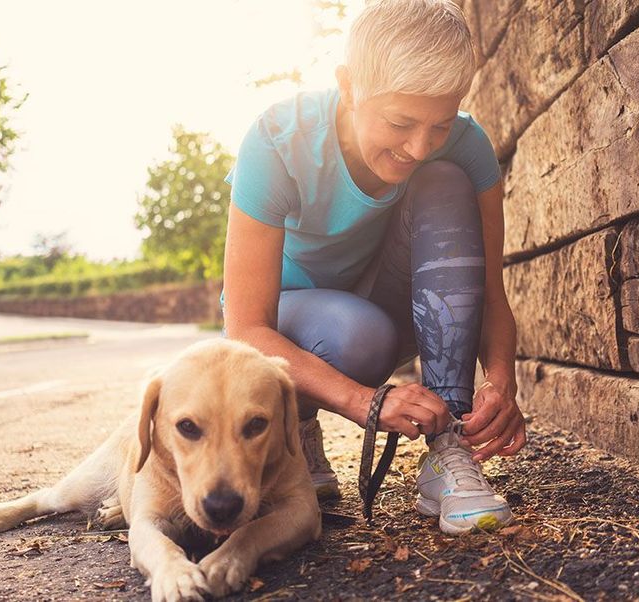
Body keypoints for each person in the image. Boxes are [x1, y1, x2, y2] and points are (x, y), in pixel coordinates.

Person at [221, 0, 526, 534]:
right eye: (400, 122)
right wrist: (367, 401)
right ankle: (295, 430)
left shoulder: (465, 146)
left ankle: (447, 451)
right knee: (360, 337)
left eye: (440, 124)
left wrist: (502, 383)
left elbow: (488, 294)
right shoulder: (277, 141)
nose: (418, 146)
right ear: (347, 86)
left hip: (385, 302)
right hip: (291, 321)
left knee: (444, 178)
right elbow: (245, 327)